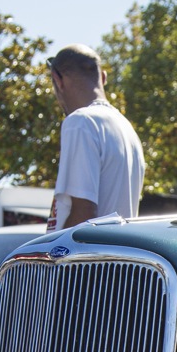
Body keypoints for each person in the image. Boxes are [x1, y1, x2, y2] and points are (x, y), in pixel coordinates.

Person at [45, 44, 144, 230]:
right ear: (103, 78)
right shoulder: (126, 128)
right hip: (121, 255)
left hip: (89, 257)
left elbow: (83, 216)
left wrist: (54, 256)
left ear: (57, 79)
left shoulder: (80, 122)